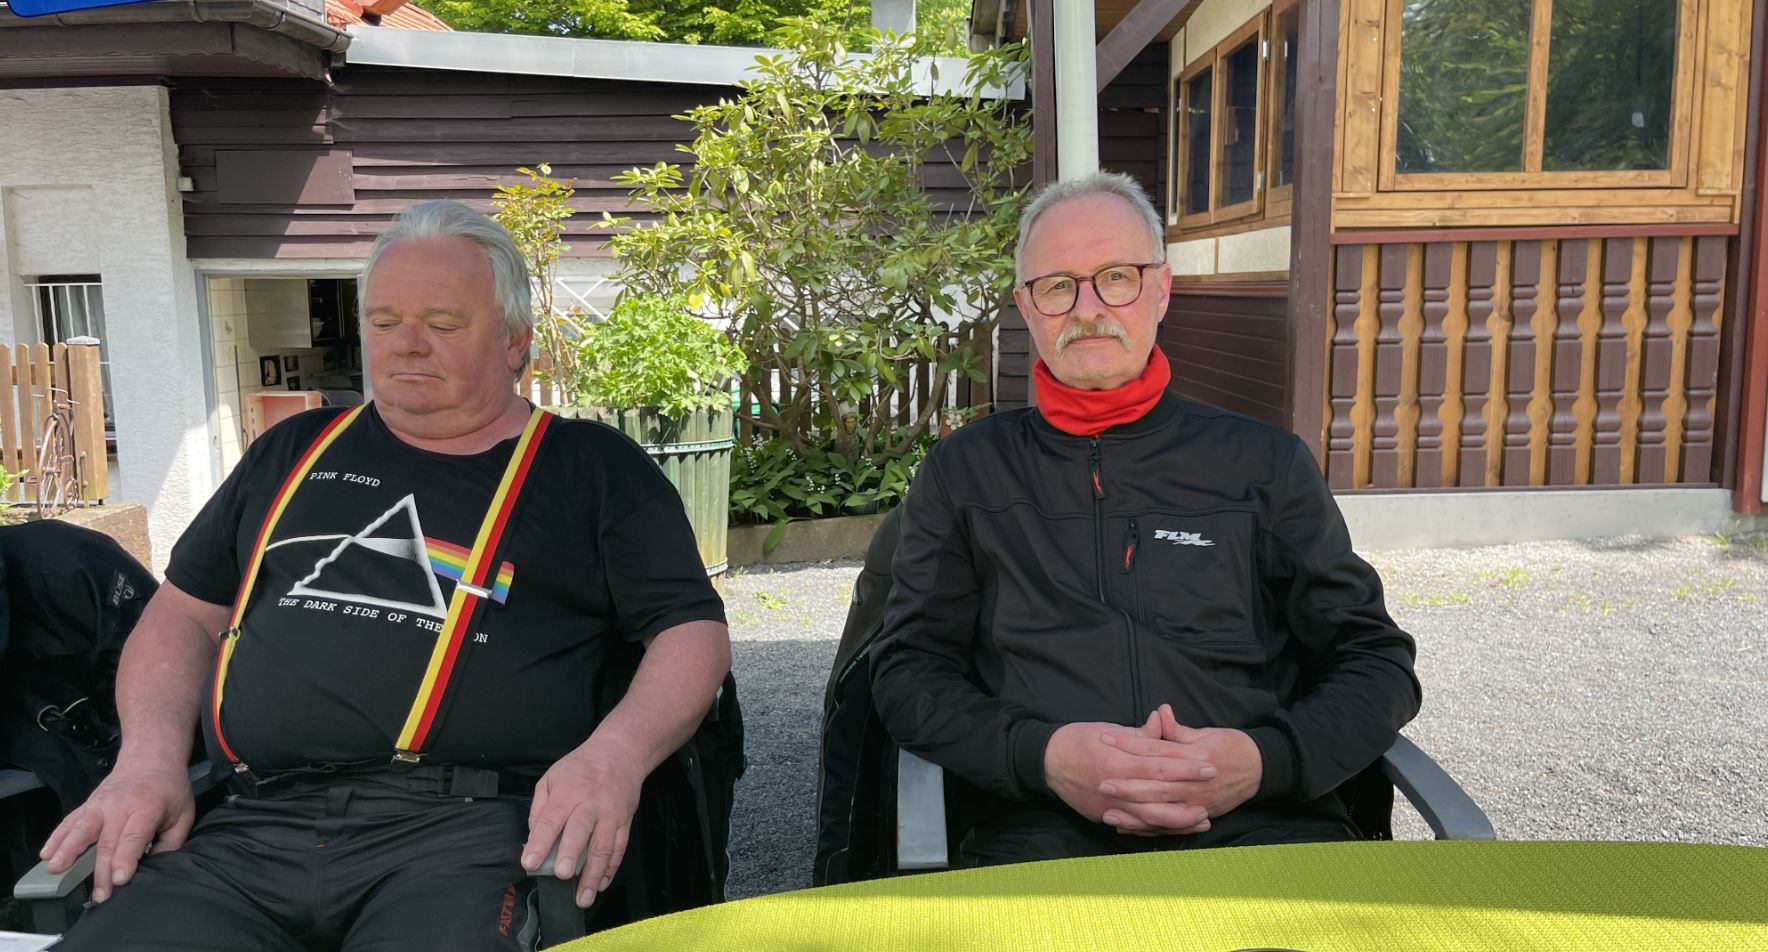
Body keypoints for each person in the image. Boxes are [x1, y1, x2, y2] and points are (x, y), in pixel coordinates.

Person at [37, 200, 733, 950]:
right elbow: (182, 615)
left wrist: (615, 757)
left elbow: (690, 632)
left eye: (443, 324)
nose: (407, 344)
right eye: (383, 320)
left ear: (515, 341)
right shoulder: (292, 451)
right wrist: (146, 761)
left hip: (468, 836)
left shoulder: (591, 469)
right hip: (252, 829)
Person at [868, 172, 1421, 867]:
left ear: (1161, 289)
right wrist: (1043, 756)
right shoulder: (966, 473)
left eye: (1116, 278)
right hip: (1037, 832)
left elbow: (1374, 660)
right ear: (1026, 306)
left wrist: (1265, 761)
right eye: (1058, 285)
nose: (1088, 308)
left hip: (1269, 826)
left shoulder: (1265, 464)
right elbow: (908, 670)